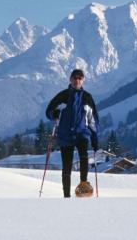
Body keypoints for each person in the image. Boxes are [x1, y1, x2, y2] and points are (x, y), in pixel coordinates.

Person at [46, 69, 99, 198]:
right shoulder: (63, 96)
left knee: (84, 157)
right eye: (75, 78)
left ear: (83, 80)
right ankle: (66, 196)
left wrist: (94, 137)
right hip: (65, 134)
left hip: (82, 133)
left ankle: (83, 187)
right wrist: (55, 113)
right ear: (70, 80)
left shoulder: (87, 97)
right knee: (67, 167)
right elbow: (49, 111)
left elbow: (93, 119)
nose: (77, 80)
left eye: (80, 78)